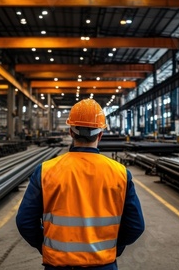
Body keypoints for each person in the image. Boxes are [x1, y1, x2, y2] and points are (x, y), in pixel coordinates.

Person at [16, 98, 145, 270]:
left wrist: (46, 246)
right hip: (103, 265)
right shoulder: (120, 174)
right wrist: (113, 247)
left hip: (58, 265)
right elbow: (136, 226)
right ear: (100, 134)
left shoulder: (46, 171)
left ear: (71, 132)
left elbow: (25, 221)